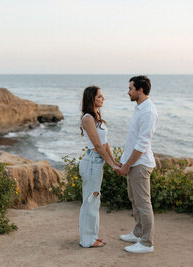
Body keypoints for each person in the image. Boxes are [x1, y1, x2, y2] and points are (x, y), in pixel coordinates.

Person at [117, 76, 158, 253]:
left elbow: (142, 144)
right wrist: (124, 161)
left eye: (130, 88)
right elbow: (132, 139)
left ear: (140, 90)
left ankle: (147, 243)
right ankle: (138, 233)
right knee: (134, 200)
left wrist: (127, 165)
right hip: (134, 162)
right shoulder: (139, 108)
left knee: (143, 204)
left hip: (141, 164)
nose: (128, 92)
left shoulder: (148, 111)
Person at [79, 85, 121, 248]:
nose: (103, 99)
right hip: (92, 163)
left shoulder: (97, 117)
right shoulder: (88, 118)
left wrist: (114, 161)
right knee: (90, 202)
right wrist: (112, 165)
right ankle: (87, 240)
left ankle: (91, 236)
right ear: (92, 99)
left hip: (97, 162)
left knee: (93, 201)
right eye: (100, 97)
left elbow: (105, 143)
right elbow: (97, 145)